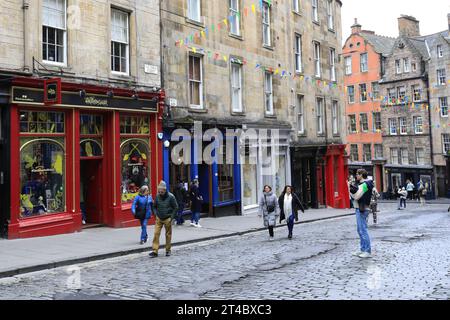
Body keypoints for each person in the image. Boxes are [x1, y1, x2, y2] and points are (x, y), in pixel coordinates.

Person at [149, 181, 178, 258]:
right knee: (156, 233)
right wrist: (155, 214)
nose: (160, 192)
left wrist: (171, 218)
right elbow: (154, 206)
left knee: (168, 235)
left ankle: (168, 250)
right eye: (159, 190)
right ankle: (155, 251)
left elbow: (176, 207)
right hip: (159, 218)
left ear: (165, 190)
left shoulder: (171, 197)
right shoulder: (157, 196)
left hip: (167, 218)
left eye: (162, 191)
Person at [349, 169, 374, 259]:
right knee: (360, 230)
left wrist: (350, 189)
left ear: (361, 175)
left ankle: (367, 250)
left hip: (362, 209)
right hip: (359, 208)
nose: (356, 176)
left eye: (357, 174)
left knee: (363, 230)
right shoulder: (363, 184)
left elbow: (357, 196)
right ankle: (362, 249)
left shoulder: (364, 185)